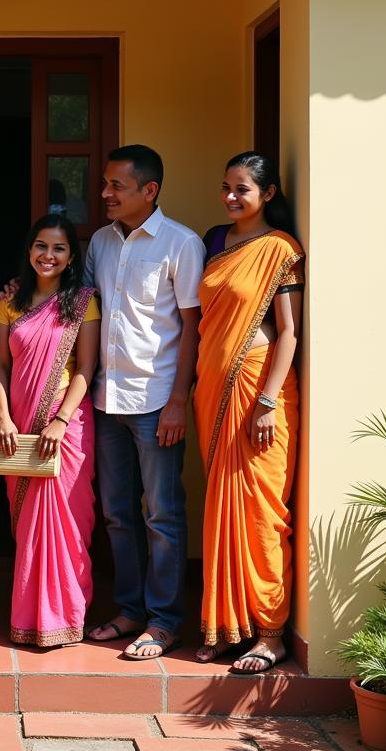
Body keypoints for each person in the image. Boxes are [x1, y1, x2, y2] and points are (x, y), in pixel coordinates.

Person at [84, 145, 204, 660]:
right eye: (106, 184)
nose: (106, 193)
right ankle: (130, 609)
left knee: (162, 514)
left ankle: (163, 621)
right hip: (106, 397)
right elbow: (81, 306)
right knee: (116, 513)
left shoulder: (181, 243)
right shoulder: (99, 241)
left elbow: (193, 328)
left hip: (157, 399)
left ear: (148, 190)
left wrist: (179, 400)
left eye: (116, 185)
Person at [194, 152, 303, 673]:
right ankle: (227, 623)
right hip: (212, 390)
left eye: (243, 189)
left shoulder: (281, 250)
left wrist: (266, 401)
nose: (231, 197)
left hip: (260, 391)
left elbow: (290, 332)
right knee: (220, 507)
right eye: (227, 187)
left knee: (260, 511)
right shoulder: (216, 240)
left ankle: (270, 633)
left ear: (269, 194)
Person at [0, 214, 100, 647]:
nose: (48, 255)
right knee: (28, 524)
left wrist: (58, 421)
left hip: (66, 425)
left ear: (71, 256)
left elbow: (86, 368)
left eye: (58, 248)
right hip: (17, 426)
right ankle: (29, 618)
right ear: (29, 249)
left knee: (67, 522)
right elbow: (0, 365)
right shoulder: (11, 301)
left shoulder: (82, 302)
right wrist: (2, 416)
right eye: (41, 246)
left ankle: (65, 617)